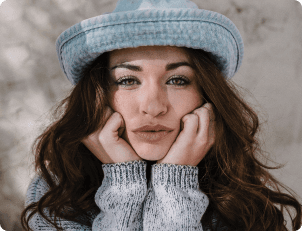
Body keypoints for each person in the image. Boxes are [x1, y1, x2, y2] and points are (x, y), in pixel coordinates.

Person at [21, 0, 302, 230]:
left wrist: (174, 186)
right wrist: (123, 186)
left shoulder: (241, 197)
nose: (153, 107)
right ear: (99, 94)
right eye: (127, 80)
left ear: (206, 95)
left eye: (177, 80)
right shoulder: (55, 192)